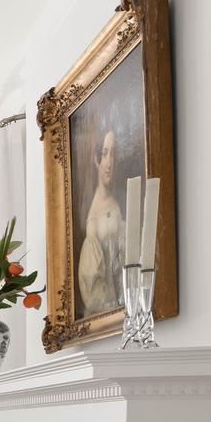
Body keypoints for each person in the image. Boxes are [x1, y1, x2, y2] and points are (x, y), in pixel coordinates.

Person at [77, 126, 124, 316]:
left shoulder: (118, 198)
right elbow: (96, 296)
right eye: (105, 154)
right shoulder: (93, 220)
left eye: (113, 154)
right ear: (96, 160)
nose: (109, 163)